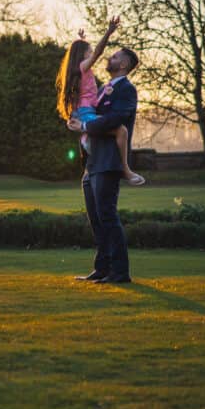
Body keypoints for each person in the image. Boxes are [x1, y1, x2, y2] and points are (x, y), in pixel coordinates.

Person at [67, 47, 141, 284]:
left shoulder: (127, 90)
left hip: (108, 161)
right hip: (92, 161)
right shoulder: (100, 89)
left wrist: (86, 127)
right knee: (96, 219)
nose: (111, 57)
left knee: (107, 216)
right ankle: (102, 268)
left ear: (124, 65)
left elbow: (116, 119)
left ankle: (120, 272)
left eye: (117, 56)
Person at [55, 16, 144, 186]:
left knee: (97, 139)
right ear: (83, 56)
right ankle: (125, 169)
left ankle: (92, 167)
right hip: (86, 114)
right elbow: (97, 51)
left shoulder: (79, 70)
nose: (93, 57)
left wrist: (82, 40)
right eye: (88, 53)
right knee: (122, 132)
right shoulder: (83, 67)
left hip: (84, 112)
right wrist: (108, 33)